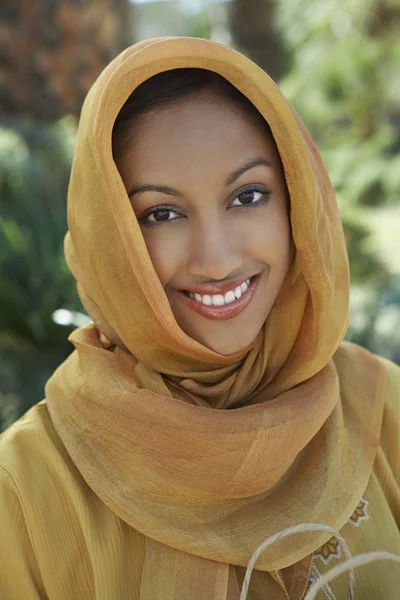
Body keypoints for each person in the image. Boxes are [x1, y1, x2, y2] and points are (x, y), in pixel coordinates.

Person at [0, 36, 399, 600]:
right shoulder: (26, 489)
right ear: (108, 239)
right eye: (162, 213)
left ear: (297, 205)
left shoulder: (381, 411)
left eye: (248, 196)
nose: (216, 260)